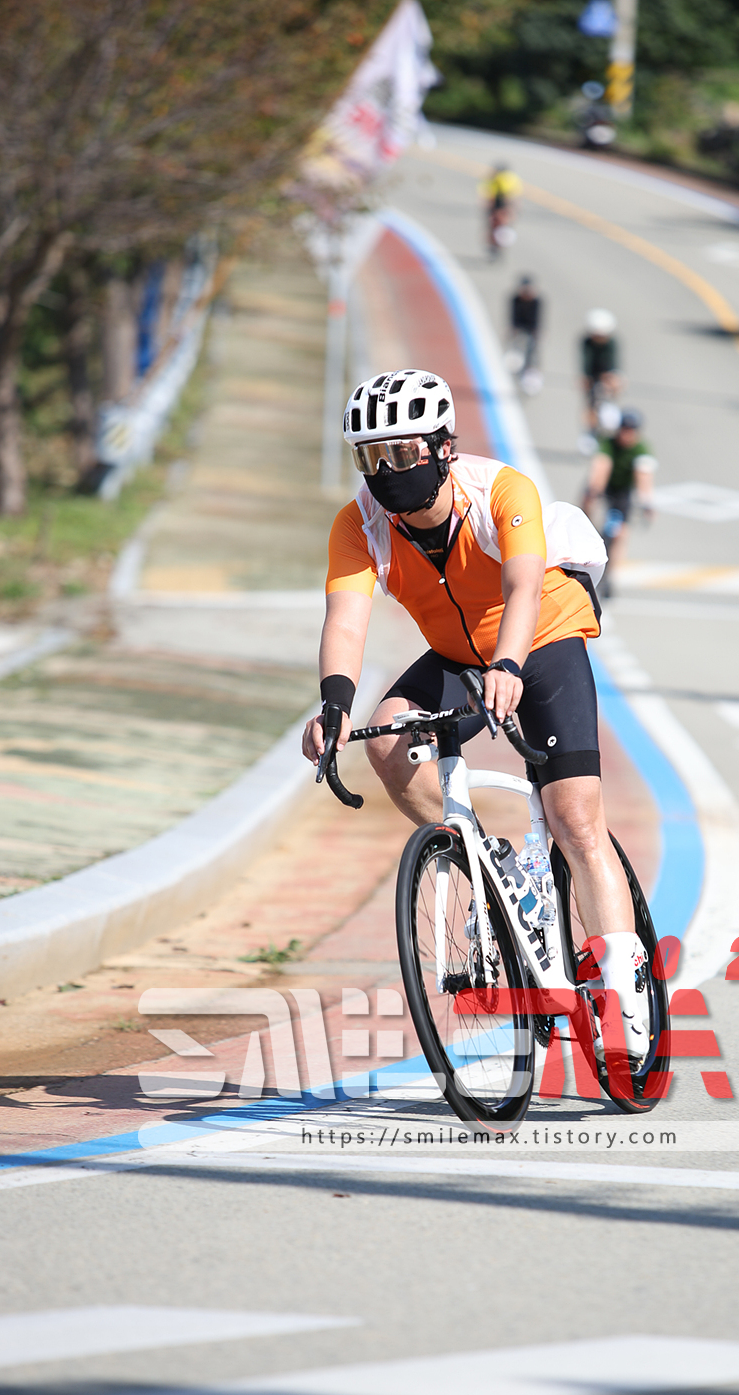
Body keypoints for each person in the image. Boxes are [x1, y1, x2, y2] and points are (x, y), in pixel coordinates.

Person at [302, 369, 654, 1061]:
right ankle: (488, 862)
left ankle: (623, 989)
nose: (386, 471)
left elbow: (523, 587)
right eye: (371, 457)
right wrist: (334, 705)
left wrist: (510, 667)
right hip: (456, 655)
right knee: (386, 741)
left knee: (575, 819)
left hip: (542, 638)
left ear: (442, 447)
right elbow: (344, 620)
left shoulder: (500, 490)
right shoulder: (358, 523)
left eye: (401, 453)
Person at [582, 408, 656, 597]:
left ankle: (611, 576)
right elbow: (601, 466)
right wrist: (594, 491)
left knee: (621, 534)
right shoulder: (608, 443)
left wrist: (647, 502)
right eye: (624, 430)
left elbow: (644, 476)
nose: (627, 435)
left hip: (622, 492)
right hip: (605, 487)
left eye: (631, 431)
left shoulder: (641, 449)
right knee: (588, 505)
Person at [579, 309, 621, 453]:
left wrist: (611, 381)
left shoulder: (611, 344)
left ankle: (609, 432)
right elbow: (586, 362)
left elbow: (613, 364)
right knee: (590, 404)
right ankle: (589, 433)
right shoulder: (586, 342)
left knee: (614, 388)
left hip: (608, 374)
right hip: (593, 375)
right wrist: (585, 378)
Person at [480, 162, 522, 260]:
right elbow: (516, 197)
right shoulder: (513, 178)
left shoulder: (497, 178)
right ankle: (499, 246)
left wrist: (487, 207)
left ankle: (494, 245)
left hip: (500, 205)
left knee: (494, 226)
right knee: (503, 226)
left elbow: (489, 195)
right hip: (507, 206)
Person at [507, 274, 542, 392]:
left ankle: (529, 371)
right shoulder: (516, 300)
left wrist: (537, 332)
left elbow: (537, 319)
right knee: (516, 347)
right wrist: (513, 329)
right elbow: (513, 316)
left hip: (531, 329)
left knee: (532, 350)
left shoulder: (536, 301)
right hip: (519, 327)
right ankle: (516, 369)